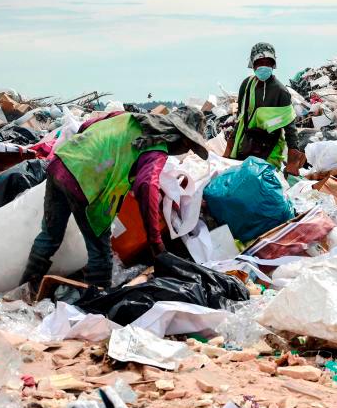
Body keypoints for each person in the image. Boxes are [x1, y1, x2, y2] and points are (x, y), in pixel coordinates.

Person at [20, 107, 209, 289]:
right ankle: (95, 308)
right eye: (187, 145)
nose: (184, 149)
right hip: (85, 182)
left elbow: (87, 126)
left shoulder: (125, 117)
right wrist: (155, 242)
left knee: (50, 235)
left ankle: (25, 289)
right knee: (101, 255)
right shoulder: (156, 145)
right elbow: (147, 184)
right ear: (179, 137)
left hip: (60, 163)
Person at [224, 42, 305, 174]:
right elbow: (241, 117)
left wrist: (292, 163)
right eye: (259, 62)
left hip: (270, 148)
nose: (263, 66)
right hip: (246, 143)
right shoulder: (247, 85)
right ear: (253, 65)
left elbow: (290, 128)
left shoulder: (280, 91)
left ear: (273, 65)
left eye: (267, 62)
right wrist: (229, 148)